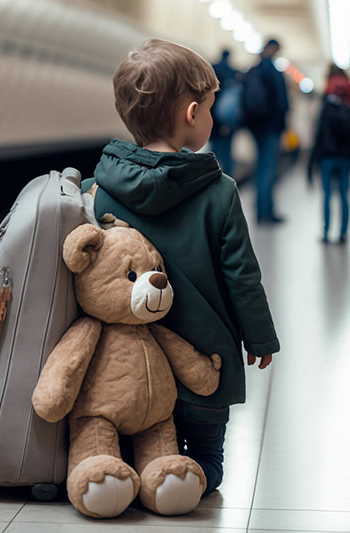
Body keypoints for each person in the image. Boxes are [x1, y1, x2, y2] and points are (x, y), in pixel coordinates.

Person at [81, 38, 280, 496]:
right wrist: (261, 337)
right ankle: (185, 483)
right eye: (210, 108)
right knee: (208, 459)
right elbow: (242, 276)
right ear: (192, 114)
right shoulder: (220, 191)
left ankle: (128, 480)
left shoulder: (98, 189)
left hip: (128, 369)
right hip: (205, 364)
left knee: (138, 446)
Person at [243, 38, 289, 224]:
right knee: (268, 168)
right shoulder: (274, 72)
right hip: (271, 128)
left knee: (261, 167)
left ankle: (260, 210)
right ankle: (266, 212)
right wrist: (283, 126)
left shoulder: (252, 70)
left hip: (256, 128)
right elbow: (282, 103)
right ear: (273, 48)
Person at [308, 64, 350, 243]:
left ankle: (325, 233)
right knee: (343, 194)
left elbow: (319, 134)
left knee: (326, 194)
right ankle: (342, 234)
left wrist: (311, 162)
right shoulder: (347, 101)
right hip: (345, 156)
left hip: (327, 156)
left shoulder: (326, 104)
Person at [210, 49, 243, 175]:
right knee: (228, 151)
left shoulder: (212, 70)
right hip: (228, 120)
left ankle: (213, 178)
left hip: (212, 120)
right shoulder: (232, 73)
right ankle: (227, 181)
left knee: (214, 153)